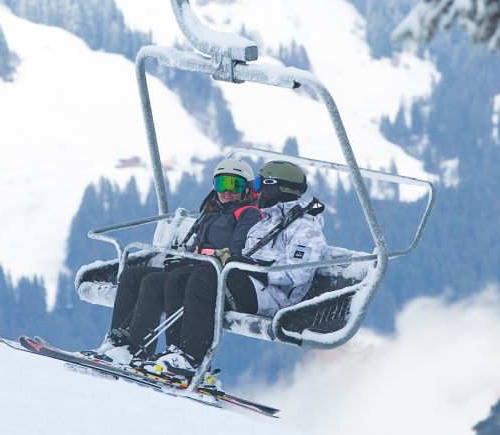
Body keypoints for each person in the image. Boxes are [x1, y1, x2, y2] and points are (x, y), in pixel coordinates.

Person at [98, 156, 264, 368]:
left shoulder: (249, 214)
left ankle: (139, 350)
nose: (226, 191)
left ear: (247, 188)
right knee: (131, 276)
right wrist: (182, 255)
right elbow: (195, 244)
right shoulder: (211, 210)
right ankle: (118, 343)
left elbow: (236, 253)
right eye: (221, 183)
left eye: (234, 184)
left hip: (213, 277)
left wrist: (196, 258)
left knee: (154, 282)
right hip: (194, 268)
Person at [239, 159, 328, 317]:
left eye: (259, 184)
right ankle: (184, 340)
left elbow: (297, 274)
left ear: (274, 187)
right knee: (191, 276)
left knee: (207, 281)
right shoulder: (265, 223)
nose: (256, 192)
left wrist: (256, 270)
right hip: (254, 288)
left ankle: (191, 341)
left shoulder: (305, 229)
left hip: (279, 303)